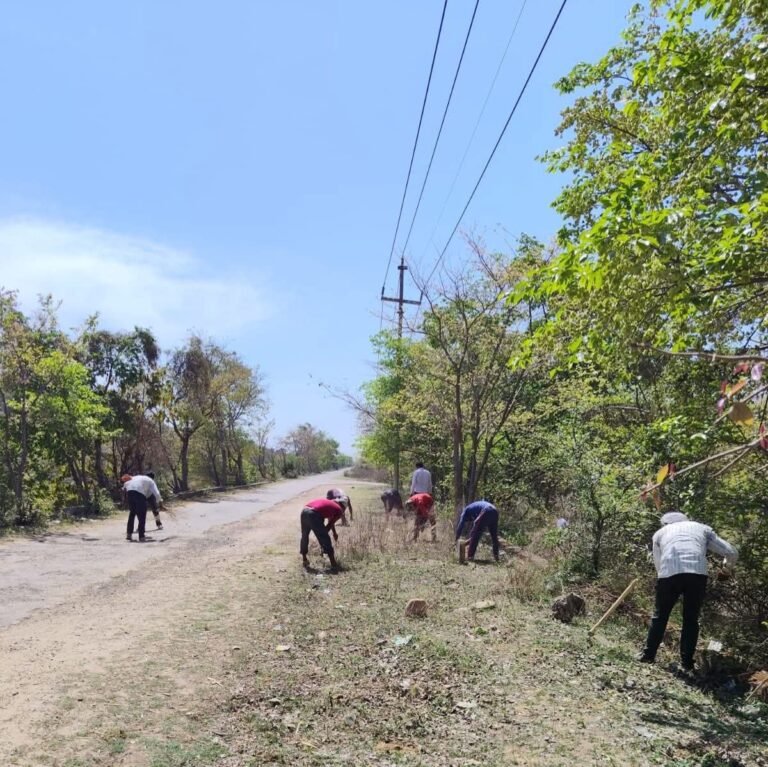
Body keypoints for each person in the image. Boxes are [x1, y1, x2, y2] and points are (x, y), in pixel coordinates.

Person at [638, 511, 738, 672]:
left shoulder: (659, 534)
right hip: (697, 574)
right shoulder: (701, 528)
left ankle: (648, 655)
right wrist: (726, 570)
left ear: (665, 524)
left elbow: (659, 565)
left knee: (660, 616)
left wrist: (663, 582)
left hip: (668, 574)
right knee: (691, 619)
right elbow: (732, 552)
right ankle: (687, 663)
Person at [300, 497, 344, 570]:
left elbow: (330, 522)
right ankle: (333, 564)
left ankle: (304, 559)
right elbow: (330, 524)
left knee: (304, 536)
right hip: (313, 514)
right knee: (325, 538)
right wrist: (322, 536)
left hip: (304, 511)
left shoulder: (330, 504)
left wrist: (331, 533)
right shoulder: (339, 510)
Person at [123, 473, 164, 542]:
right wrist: (160, 502)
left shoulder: (136, 477)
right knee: (142, 514)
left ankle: (129, 534)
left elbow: (125, 484)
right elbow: (156, 493)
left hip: (130, 492)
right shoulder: (151, 481)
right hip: (139, 493)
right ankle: (141, 536)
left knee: (132, 513)